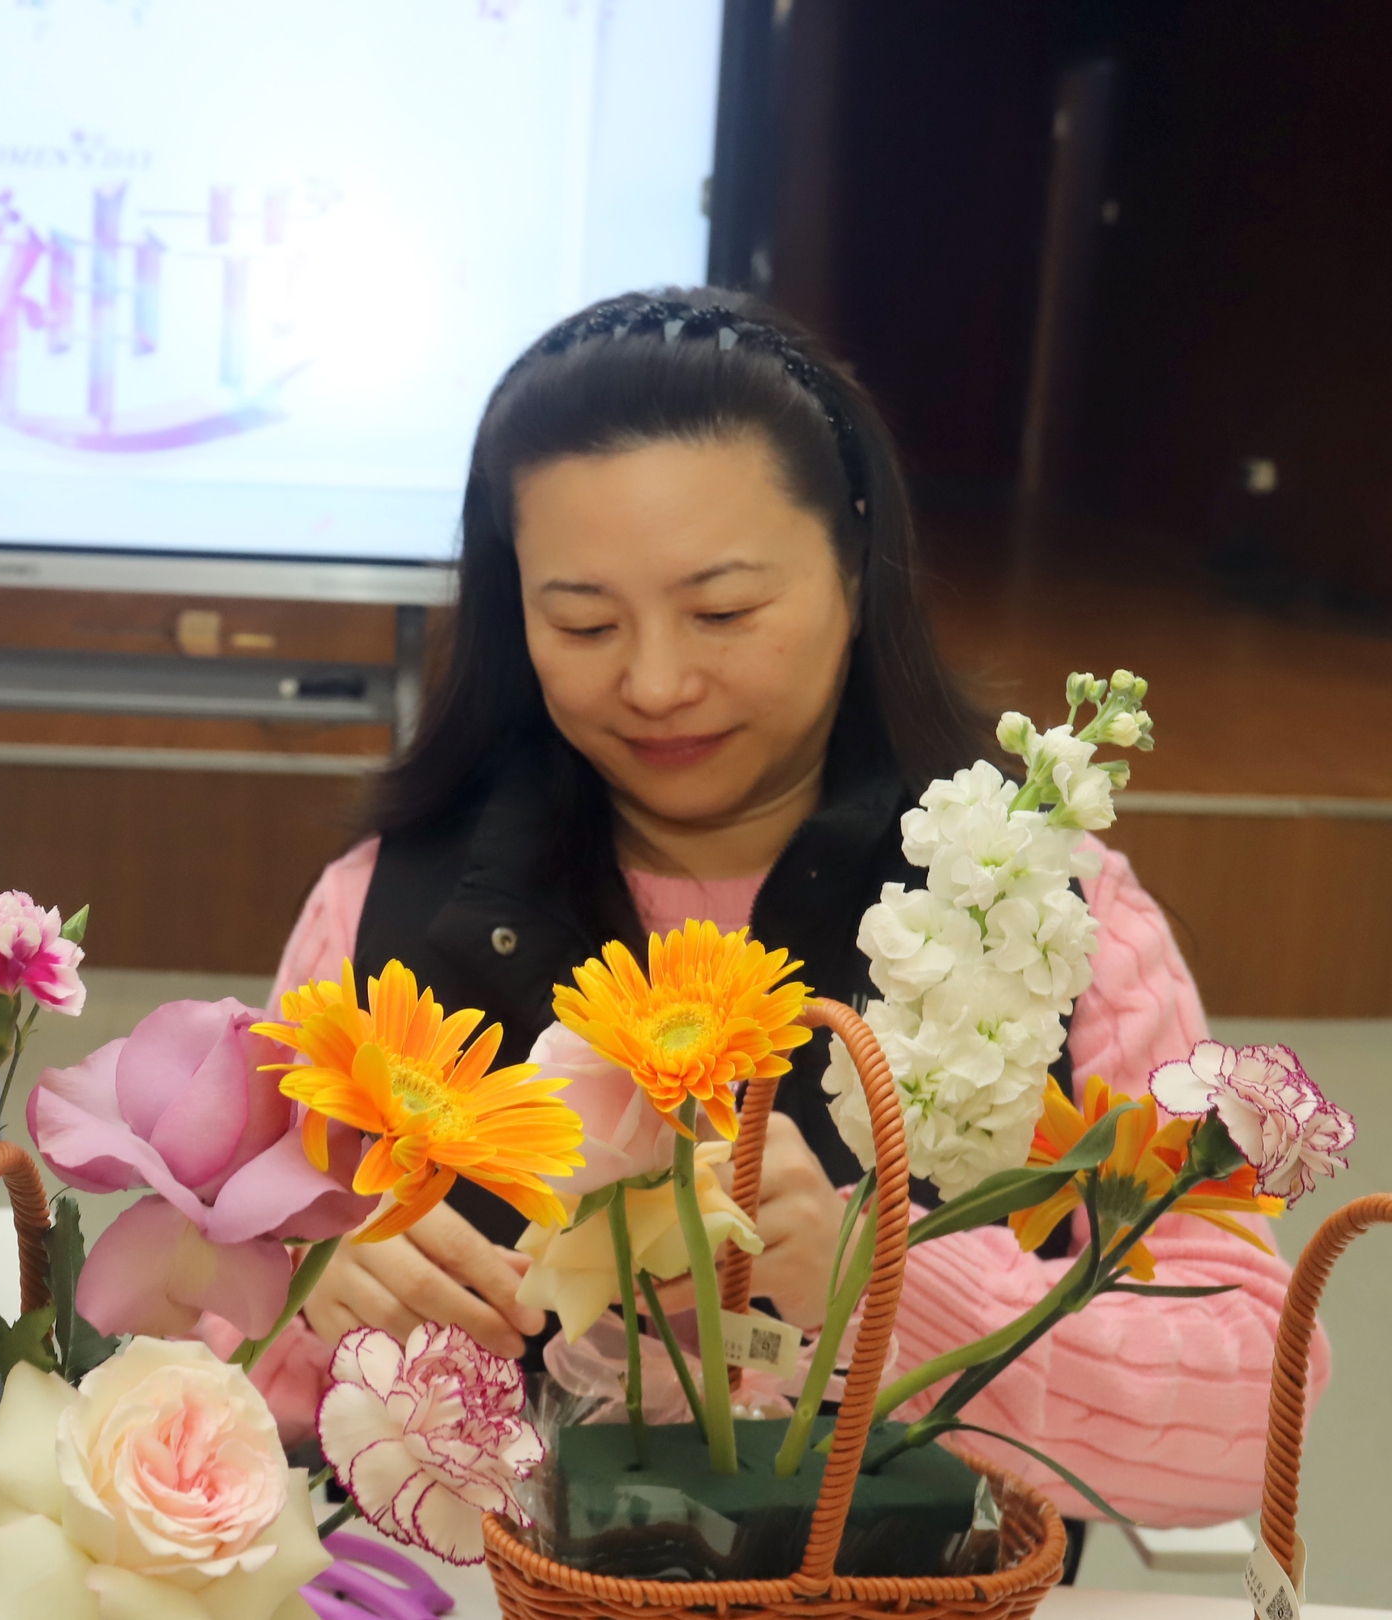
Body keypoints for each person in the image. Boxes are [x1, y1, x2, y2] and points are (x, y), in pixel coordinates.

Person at [266, 288, 1321, 1532]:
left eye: (722, 612)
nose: (656, 682)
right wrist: (303, 1288)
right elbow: (226, 1383)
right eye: (583, 622)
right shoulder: (387, 911)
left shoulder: (1039, 905)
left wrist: (886, 1289)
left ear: (857, 570)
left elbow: (1255, 1415)